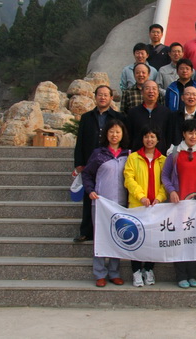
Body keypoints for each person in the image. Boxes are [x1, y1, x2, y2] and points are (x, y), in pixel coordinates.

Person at [161, 119, 196, 289]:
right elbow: (165, 175)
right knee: (180, 240)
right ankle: (181, 275)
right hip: (179, 204)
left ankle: (192, 274)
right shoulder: (174, 153)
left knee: (194, 240)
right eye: (190, 133)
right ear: (184, 134)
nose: (193, 136)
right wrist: (171, 191)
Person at [81, 119, 130, 287]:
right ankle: (99, 273)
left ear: (122, 134)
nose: (114, 135)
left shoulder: (128, 155)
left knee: (118, 237)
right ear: (106, 134)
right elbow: (87, 174)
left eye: (118, 132)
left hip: (120, 204)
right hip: (101, 203)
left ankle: (114, 272)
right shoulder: (98, 154)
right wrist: (90, 190)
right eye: (111, 132)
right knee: (101, 238)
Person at [73, 85, 125, 243]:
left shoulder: (118, 117)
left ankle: (112, 231)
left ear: (111, 98)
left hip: (111, 161)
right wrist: (79, 162)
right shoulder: (87, 117)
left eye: (106, 95)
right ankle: (86, 231)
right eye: (100, 95)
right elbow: (80, 141)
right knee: (89, 195)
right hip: (91, 161)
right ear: (95, 97)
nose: (103, 97)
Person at [124, 125, 167, 287]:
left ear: (158, 140)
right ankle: (136, 271)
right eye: (146, 136)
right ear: (142, 139)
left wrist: (160, 197)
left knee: (152, 240)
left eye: (153, 136)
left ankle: (149, 269)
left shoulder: (163, 160)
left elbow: (165, 182)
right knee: (136, 240)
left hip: (156, 207)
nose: (149, 140)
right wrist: (141, 196)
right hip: (137, 206)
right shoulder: (133, 157)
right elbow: (129, 179)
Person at [127, 80, 171, 155]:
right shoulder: (133, 112)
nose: (151, 91)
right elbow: (129, 135)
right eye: (147, 88)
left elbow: (168, 135)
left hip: (160, 155)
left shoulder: (166, 112)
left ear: (158, 92)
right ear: (142, 92)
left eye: (154, 89)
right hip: (138, 154)